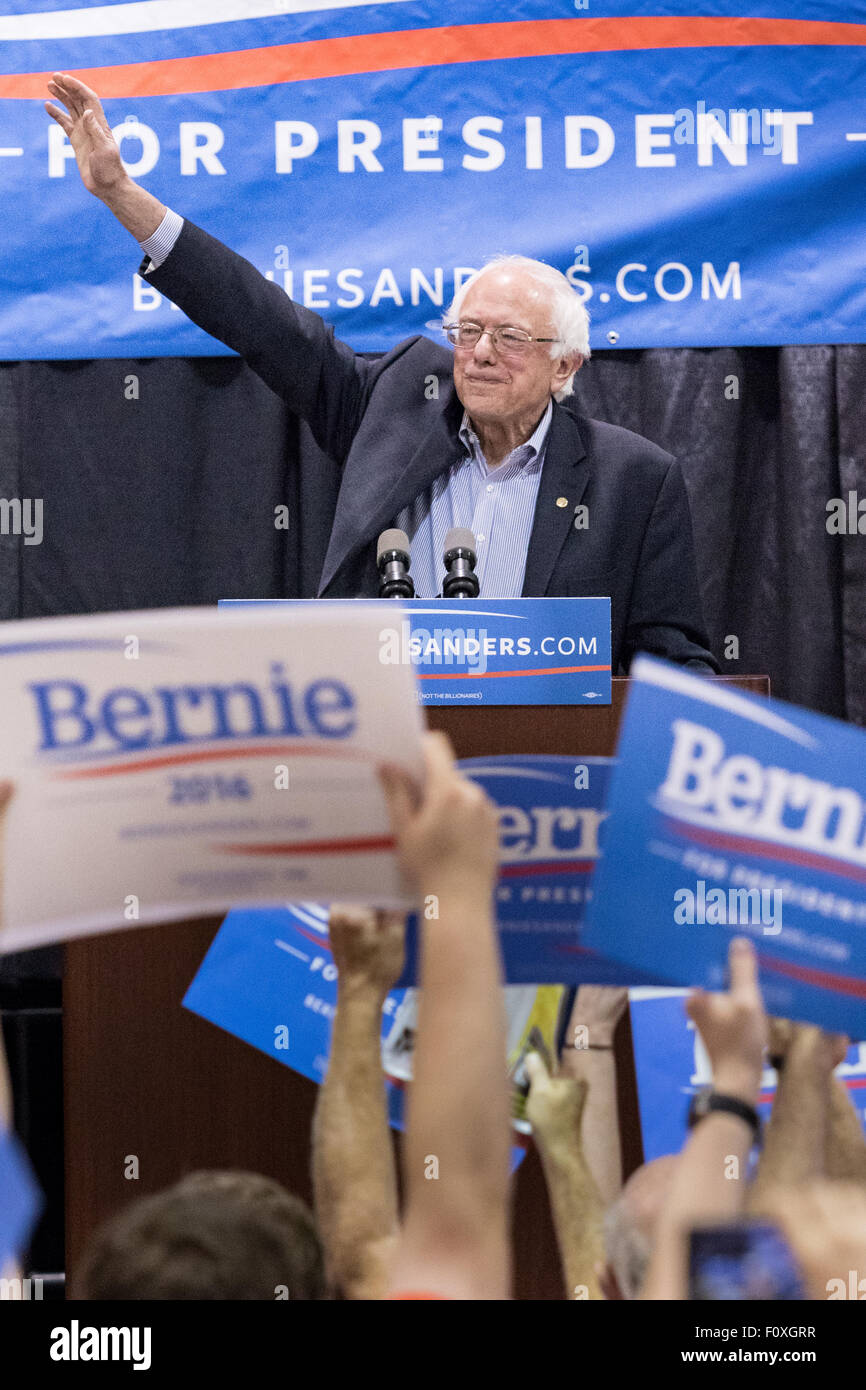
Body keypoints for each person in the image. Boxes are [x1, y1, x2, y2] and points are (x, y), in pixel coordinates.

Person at [45, 74, 718, 675]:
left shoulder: (634, 477)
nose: (480, 352)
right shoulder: (391, 408)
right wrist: (122, 195)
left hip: (546, 767)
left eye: (509, 337)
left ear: (564, 364)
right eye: (468, 331)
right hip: (388, 746)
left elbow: (671, 658)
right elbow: (262, 320)